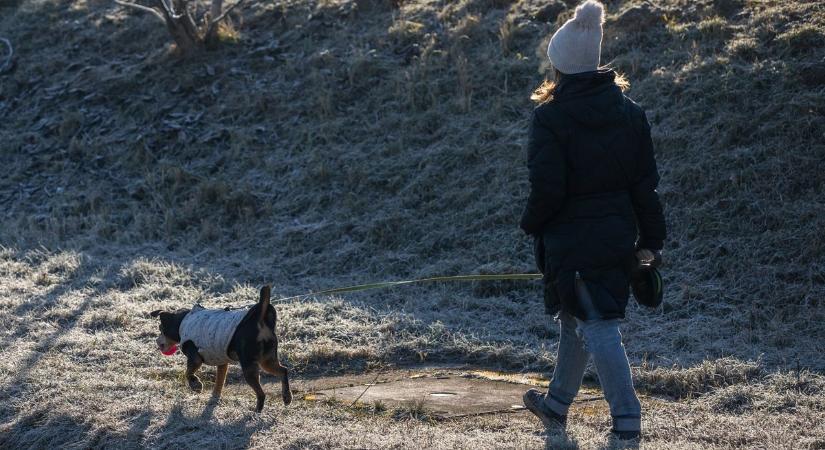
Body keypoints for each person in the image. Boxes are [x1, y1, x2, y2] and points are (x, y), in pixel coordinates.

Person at [519, 0, 666, 442]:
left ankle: (627, 421)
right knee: (575, 320)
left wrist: (530, 225)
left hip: (572, 239)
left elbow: (548, 189)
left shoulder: (550, 118)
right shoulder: (631, 112)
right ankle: (557, 406)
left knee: (598, 325)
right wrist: (651, 239)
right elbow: (645, 185)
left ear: (559, 67)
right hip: (617, 236)